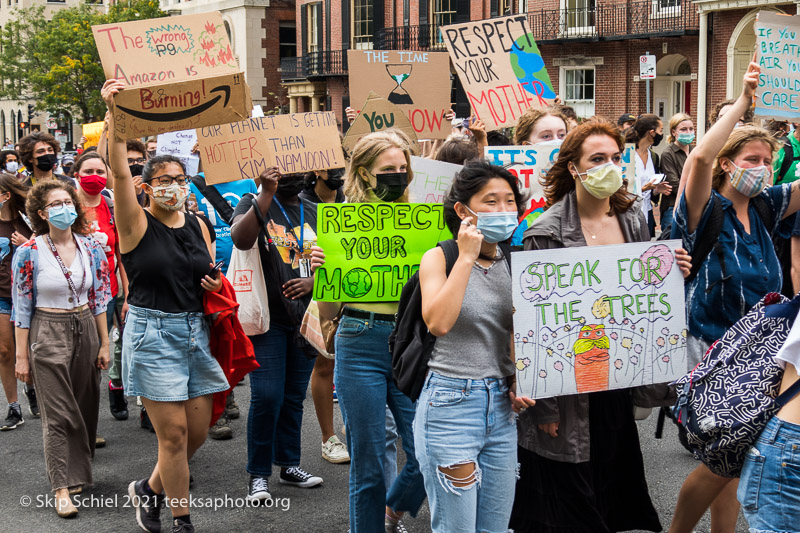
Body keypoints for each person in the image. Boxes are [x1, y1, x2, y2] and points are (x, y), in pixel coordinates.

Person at [510, 118, 691, 533]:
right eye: (597, 159)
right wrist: (546, 407)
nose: (608, 165)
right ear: (573, 167)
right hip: (569, 392)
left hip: (615, 381)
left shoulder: (631, 221)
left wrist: (670, 269)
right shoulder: (545, 233)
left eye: (614, 157)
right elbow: (536, 330)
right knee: (572, 501)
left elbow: (644, 298)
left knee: (614, 494)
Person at [669, 59, 800, 533]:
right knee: (723, 456)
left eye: (768, 161)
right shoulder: (707, 210)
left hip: (761, 352)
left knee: (736, 457)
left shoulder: (767, 207)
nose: (762, 169)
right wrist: (744, 102)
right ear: (728, 164)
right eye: (751, 160)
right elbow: (699, 159)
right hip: (714, 349)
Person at [102, 79, 229, 533]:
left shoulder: (195, 222)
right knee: (171, 436)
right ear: (147, 186)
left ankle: (149, 488)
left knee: (195, 434)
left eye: (180, 179)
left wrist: (214, 281)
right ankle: (181, 520)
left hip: (195, 331)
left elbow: (206, 272)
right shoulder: (134, 222)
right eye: (164, 181)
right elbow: (117, 171)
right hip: (152, 333)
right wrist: (114, 112)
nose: (173, 186)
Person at [317, 129, 427, 533]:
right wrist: (322, 273)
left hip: (410, 344)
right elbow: (330, 310)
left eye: (403, 168)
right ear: (363, 174)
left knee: (425, 454)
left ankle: (391, 511)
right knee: (368, 467)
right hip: (359, 340)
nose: (398, 175)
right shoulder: (340, 228)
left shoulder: (424, 224)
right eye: (388, 169)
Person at [416, 160, 535, 532]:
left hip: (501, 409)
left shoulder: (514, 262)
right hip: (451, 406)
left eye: (510, 201)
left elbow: (518, 332)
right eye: (491, 202)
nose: (504, 211)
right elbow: (438, 322)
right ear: (463, 211)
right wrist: (466, 256)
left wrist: (520, 380)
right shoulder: (440, 258)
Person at [12, 180, 111, 517]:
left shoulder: (92, 247)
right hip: (47, 329)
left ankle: (79, 471)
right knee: (57, 414)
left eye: (67, 201)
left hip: (85, 326)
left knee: (86, 404)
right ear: (41, 213)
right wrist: (22, 356)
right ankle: (61, 488)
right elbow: (21, 307)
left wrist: (105, 342)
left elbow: (100, 298)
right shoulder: (29, 252)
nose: (63, 208)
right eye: (55, 204)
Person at [230, 168, 324, 504]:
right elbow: (241, 239)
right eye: (284, 168)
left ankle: (288, 464)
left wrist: (315, 282)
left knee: (292, 396)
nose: (294, 174)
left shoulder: (314, 209)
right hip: (267, 318)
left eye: (300, 167)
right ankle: (258, 474)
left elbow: (335, 260)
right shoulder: (251, 202)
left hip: (304, 319)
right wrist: (265, 193)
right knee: (267, 395)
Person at [71, 152, 130, 422]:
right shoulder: (66, 208)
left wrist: (128, 291)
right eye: (88, 172)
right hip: (82, 295)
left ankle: (117, 385)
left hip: (114, 288)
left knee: (124, 343)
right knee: (91, 350)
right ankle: (86, 416)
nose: (94, 177)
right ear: (76, 176)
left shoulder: (112, 205)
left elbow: (121, 252)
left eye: (100, 172)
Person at [298, 167, 350, 465]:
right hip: (319, 294)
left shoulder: (352, 201)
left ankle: (352, 424)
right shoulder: (302, 204)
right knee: (325, 363)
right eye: (334, 168)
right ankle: (328, 437)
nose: (339, 174)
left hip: (355, 289)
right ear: (316, 171)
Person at [0, 174, 34, 431]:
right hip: (1, 296)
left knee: (34, 351)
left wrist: (28, 243)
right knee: (4, 351)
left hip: (30, 294)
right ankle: (14, 407)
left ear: (6, 195)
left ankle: (32, 387)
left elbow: (49, 245)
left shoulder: (28, 218)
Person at [627, 114, 672, 236]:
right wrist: (644, 188)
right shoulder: (627, 154)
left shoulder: (653, 157)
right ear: (651, 133)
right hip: (628, 215)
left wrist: (657, 190)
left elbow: (651, 193)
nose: (661, 135)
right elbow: (623, 190)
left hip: (646, 213)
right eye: (660, 130)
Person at [659, 113, 694, 232]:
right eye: (683, 129)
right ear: (674, 132)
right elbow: (674, 184)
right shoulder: (668, 154)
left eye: (691, 129)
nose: (688, 132)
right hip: (673, 206)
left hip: (693, 206)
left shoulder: (696, 151)